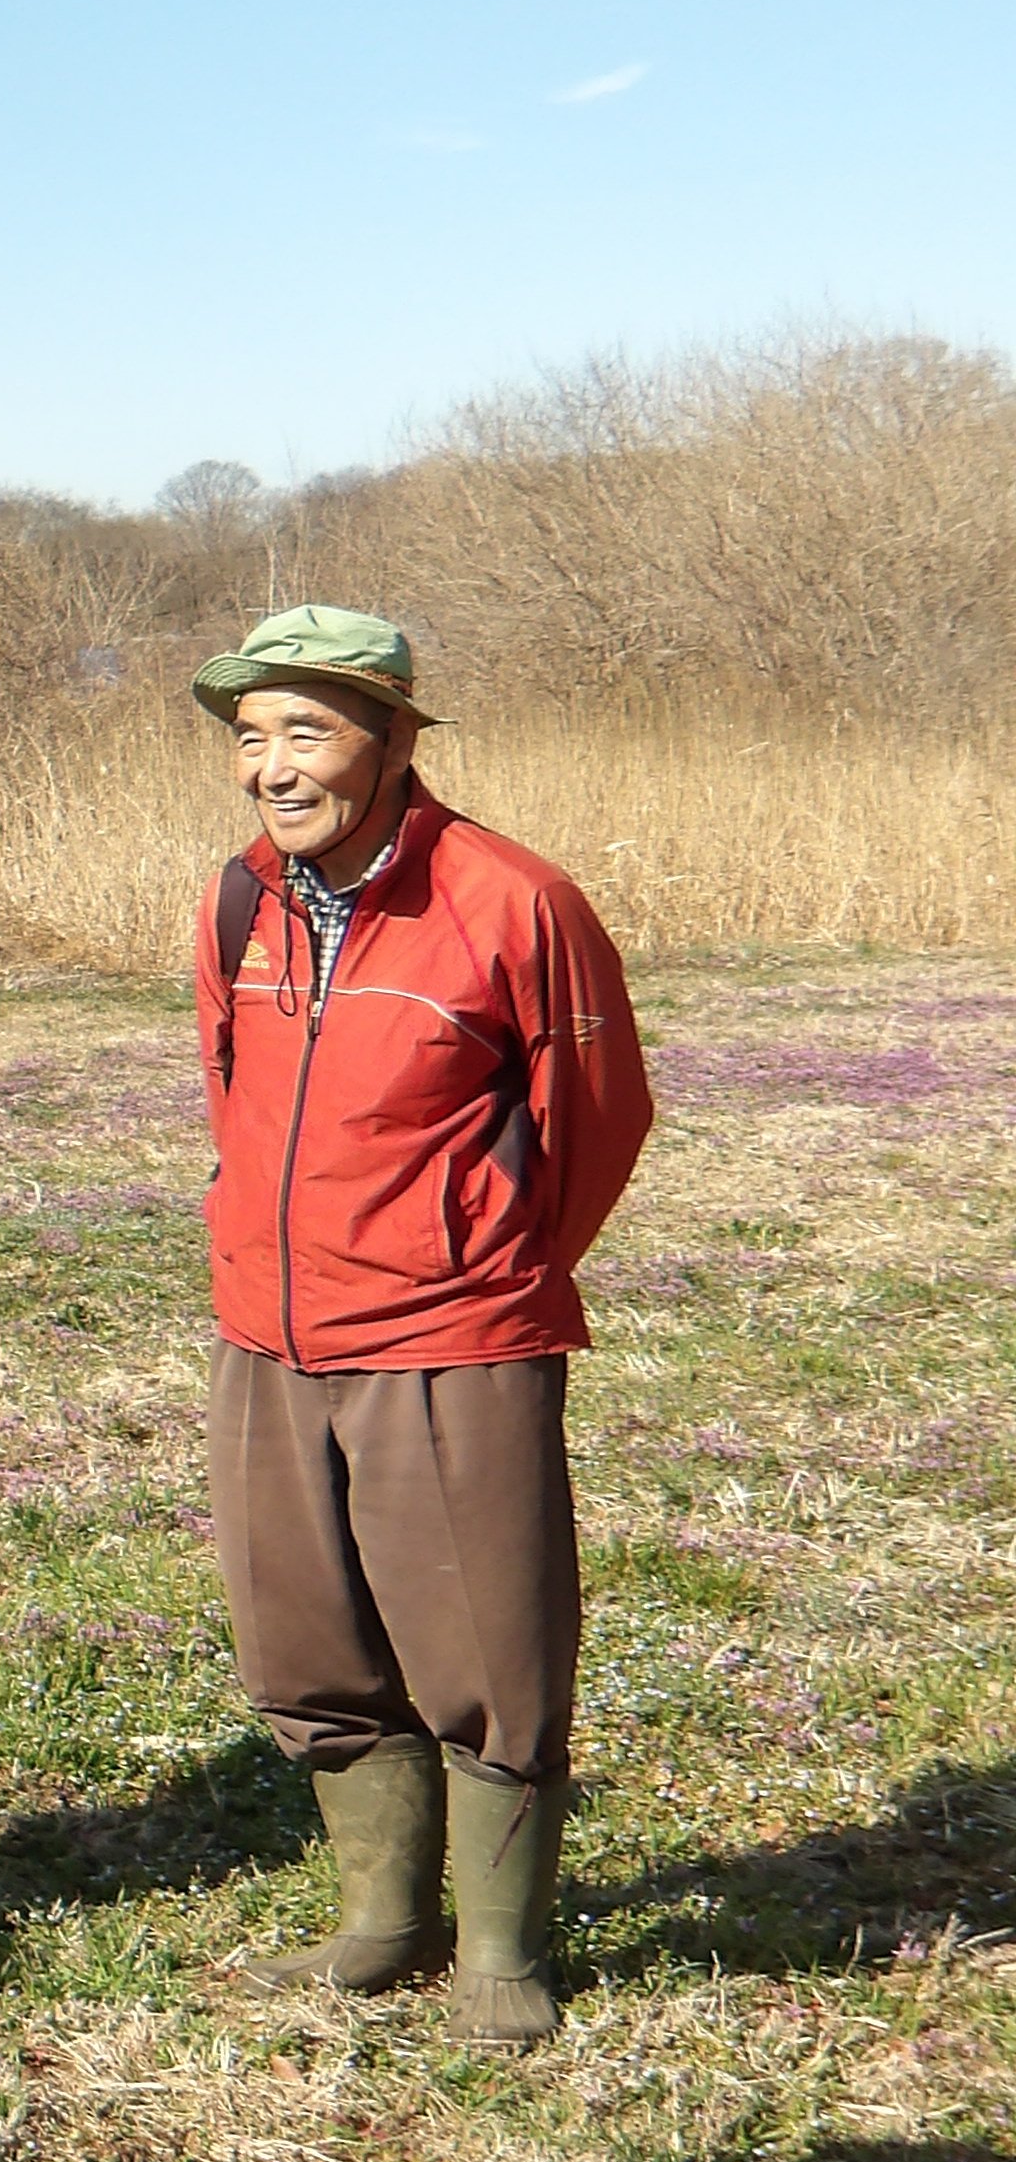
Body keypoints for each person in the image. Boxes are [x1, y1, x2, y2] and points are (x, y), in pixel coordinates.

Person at [192, 607, 652, 2043]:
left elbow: (597, 1119)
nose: (274, 766)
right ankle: (384, 1921)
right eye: (253, 736)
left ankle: (504, 1951)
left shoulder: (514, 900)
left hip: (455, 1334)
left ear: (396, 741)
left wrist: (483, 1260)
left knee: (488, 1646)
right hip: (268, 1333)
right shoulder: (237, 902)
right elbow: (230, 1089)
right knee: (304, 1638)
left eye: (309, 731)